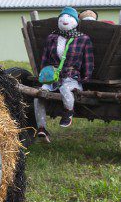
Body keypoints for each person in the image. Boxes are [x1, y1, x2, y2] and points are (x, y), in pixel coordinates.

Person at [34, 7, 94, 141]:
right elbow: (45, 58)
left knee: (65, 89)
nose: (65, 20)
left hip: (71, 76)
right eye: (62, 17)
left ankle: (68, 113)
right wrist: (43, 74)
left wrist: (86, 78)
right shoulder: (52, 37)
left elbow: (88, 61)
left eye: (69, 17)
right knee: (39, 94)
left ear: (76, 21)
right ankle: (42, 128)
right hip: (53, 76)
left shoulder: (83, 39)